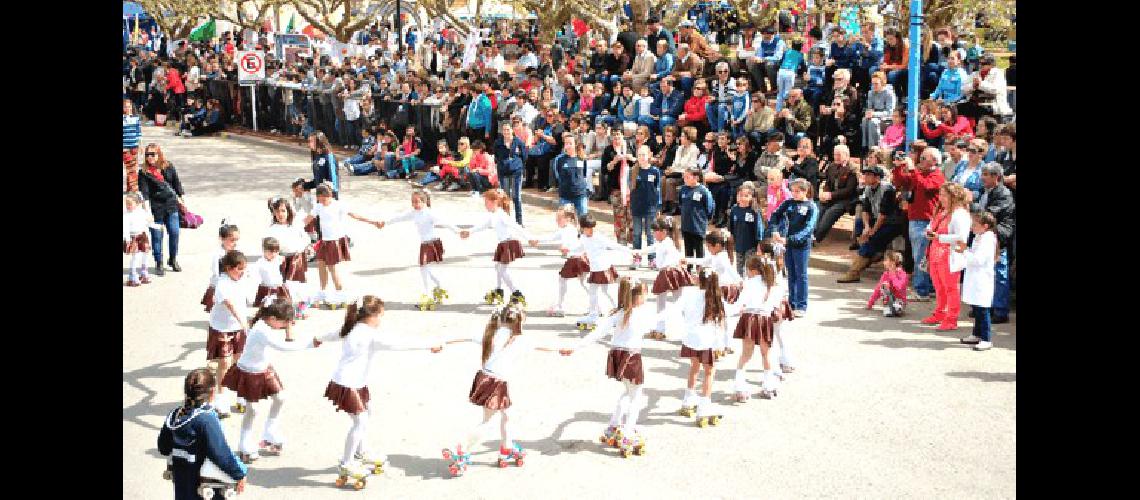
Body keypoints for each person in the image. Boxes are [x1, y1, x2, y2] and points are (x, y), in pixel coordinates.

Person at [316, 296, 443, 482]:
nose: (381, 321)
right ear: (371, 316)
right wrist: (429, 345)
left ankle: (361, 451)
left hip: (351, 382)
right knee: (359, 421)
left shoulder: (352, 327)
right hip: (348, 384)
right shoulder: (369, 335)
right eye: (380, 316)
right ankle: (347, 462)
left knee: (367, 413)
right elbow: (400, 344)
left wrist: (317, 338)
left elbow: (332, 334)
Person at [441, 304, 568, 476]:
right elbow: (542, 345)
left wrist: (442, 342)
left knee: (507, 415)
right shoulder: (521, 339)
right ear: (521, 321)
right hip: (496, 383)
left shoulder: (491, 333)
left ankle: (507, 447)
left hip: (484, 377)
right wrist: (561, 350)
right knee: (488, 421)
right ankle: (461, 449)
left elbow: (465, 337)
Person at [564, 277, 662, 454]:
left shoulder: (616, 314)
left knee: (628, 391)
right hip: (631, 357)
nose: (646, 297)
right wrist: (677, 308)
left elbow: (596, 334)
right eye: (645, 293)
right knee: (636, 396)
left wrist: (575, 347)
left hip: (617, 355)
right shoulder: (640, 314)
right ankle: (628, 432)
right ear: (638, 296)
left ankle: (613, 425)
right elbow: (657, 321)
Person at [222, 297, 318, 463]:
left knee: (280, 397)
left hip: (264, 368)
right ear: (273, 319)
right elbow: (285, 347)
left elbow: (288, 338)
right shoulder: (261, 330)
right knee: (252, 409)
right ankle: (245, 441)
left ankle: (270, 430)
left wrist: (288, 326)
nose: (285, 326)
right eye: (284, 323)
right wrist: (311, 343)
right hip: (250, 371)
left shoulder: (266, 323)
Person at [158, 368, 248, 500]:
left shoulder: (175, 416)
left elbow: (164, 448)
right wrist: (240, 474)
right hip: (205, 486)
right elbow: (221, 454)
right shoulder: (206, 419)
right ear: (212, 392)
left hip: (182, 485)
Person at [375, 190, 462, 308]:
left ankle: (427, 295)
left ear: (424, 202)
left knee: (424, 269)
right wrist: (385, 222)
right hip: (424, 244)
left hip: (432, 243)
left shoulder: (430, 213)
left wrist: (458, 231)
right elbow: (399, 217)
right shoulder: (414, 213)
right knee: (427, 269)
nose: (415, 204)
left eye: (417, 202)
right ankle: (439, 286)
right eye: (413, 202)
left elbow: (446, 222)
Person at [302, 184, 383, 306]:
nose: (322, 202)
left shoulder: (338, 205)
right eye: (320, 199)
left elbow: (355, 215)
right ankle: (323, 291)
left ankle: (341, 293)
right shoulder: (318, 206)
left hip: (334, 241)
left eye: (324, 199)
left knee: (332, 267)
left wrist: (373, 222)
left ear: (329, 196)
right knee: (320, 263)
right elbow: (307, 219)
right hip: (324, 240)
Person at [460, 189, 540, 307]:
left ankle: (516, 293)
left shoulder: (501, 215)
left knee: (502, 270)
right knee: (498, 267)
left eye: (486, 202)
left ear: (495, 202)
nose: (485, 205)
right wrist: (469, 231)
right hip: (503, 244)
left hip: (509, 243)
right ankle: (498, 290)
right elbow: (483, 225)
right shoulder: (493, 215)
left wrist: (529, 238)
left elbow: (516, 226)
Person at [725, 254, 784, 401]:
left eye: (748, 270)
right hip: (765, 319)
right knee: (766, 354)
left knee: (746, 354)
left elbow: (740, 305)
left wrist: (726, 311)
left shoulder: (749, 283)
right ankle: (769, 385)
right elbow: (776, 306)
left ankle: (739, 384)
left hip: (750, 319)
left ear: (754, 271)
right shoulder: (772, 285)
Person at [891, 148, 946, 301]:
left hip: (926, 221)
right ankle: (927, 287)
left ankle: (922, 290)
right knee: (921, 256)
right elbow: (900, 181)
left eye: (924, 158)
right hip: (915, 219)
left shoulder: (938, 176)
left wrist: (913, 169)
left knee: (921, 257)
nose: (920, 160)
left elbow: (925, 186)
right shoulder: (919, 174)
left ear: (934, 161)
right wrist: (898, 166)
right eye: (920, 158)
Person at [676, 268, 729, 426]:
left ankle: (688, 399)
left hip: (691, 338)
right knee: (709, 372)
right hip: (707, 340)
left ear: (698, 280)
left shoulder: (689, 294)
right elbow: (722, 321)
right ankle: (704, 406)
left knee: (694, 367)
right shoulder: (716, 298)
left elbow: (681, 311)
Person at [838, 164, 906, 283]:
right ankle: (875, 253)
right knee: (860, 224)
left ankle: (854, 272)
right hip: (877, 220)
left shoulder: (887, 189)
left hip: (892, 222)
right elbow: (865, 209)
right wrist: (867, 227)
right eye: (866, 174)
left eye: (869, 175)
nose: (866, 177)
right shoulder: (868, 188)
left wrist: (872, 231)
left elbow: (883, 214)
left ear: (878, 177)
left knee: (871, 241)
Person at [922, 183, 973, 330]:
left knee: (951, 288)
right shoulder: (944, 212)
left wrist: (939, 237)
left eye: (944, 195)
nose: (941, 198)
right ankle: (940, 313)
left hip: (949, 256)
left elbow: (962, 238)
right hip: (936, 254)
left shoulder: (960, 214)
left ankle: (951, 319)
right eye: (941, 194)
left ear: (954, 196)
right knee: (939, 287)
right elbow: (932, 224)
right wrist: (929, 231)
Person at [766, 179, 818, 316]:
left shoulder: (811, 206)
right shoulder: (788, 203)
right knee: (791, 273)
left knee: (801, 274)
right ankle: (791, 303)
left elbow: (809, 228)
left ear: (805, 191)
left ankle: (801, 305)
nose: (794, 194)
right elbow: (775, 216)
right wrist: (775, 230)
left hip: (801, 245)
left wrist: (791, 240)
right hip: (787, 243)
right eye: (792, 191)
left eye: (797, 191)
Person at [972, 163, 1015, 324]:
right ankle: (985, 307)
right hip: (985, 235)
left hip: (999, 238)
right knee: (985, 274)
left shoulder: (1004, 194)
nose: (982, 177)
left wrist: (971, 204)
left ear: (996, 177)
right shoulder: (986, 191)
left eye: (986, 174)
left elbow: (988, 215)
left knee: (999, 275)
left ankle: (1000, 310)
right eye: (982, 173)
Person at [137, 143, 185, 275]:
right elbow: (144, 193)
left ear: (159, 154)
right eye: (147, 154)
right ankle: (159, 262)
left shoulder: (168, 166)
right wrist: (147, 212)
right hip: (155, 207)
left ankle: (173, 259)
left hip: (171, 205)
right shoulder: (144, 172)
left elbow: (177, 185)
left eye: (153, 154)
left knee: (174, 232)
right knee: (157, 237)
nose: (150, 157)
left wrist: (182, 201)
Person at [955, 211, 998, 351]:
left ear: (985, 226)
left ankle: (986, 339)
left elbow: (978, 259)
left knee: (983, 310)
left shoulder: (987, 239)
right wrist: (966, 250)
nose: (972, 227)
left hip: (982, 280)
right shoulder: (979, 237)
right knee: (977, 308)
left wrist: (964, 251)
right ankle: (976, 334)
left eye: (975, 224)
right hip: (975, 278)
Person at [539, 206, 588, 317]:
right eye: (557, 218)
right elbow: (552, 237)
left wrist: (566, 248)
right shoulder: (567, 228)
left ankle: (561, 306)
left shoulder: (569, 230)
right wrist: (537, 240)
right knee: (581, 282)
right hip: (577, 258)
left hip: (576, 258)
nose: (557, 221)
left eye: (559, 218)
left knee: (564, 280)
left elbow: (569, 244)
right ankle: (595, 306)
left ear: (568, 219)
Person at [266, 197, 312, 319]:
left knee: (299, 285)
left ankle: (301, 308)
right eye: (277, 211)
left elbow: (305, 238)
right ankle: (286, 310)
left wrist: (303, 248)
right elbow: (268, 245)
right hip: (281, 260)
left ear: (288, 211)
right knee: (284, 286)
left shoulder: (295, 226)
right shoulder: (272, 229)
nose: (280, 214)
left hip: (296, 259)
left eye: (283, 211)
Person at [812, 145, 858, 243]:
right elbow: (828, 183)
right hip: (831, 197)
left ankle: (816, 238)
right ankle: (810, 234)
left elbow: (849, 190)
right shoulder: (832, 166)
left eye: (839, 155)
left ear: (846, 155)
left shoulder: (852, 169)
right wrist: (825, 193)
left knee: (830, 213)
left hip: (845, 200)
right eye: (835, 154)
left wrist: (831, 195)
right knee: (818, 209)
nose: (836, 157)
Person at [629, 145, 662, 270]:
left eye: (644, 154)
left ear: (649, 155)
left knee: (650, 234)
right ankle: (637, 258)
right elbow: (630, 189)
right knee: (637, 234)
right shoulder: (633, 171)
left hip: (650, 208)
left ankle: (652, 259)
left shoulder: (654, 171)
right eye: (639, 155)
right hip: (637, 207)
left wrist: (658, 206)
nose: (642, 157)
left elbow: (657, 189)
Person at [679, 166, 716, 264]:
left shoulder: (703, 191)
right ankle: (689, 271)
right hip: (686, 226)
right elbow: (681, 204)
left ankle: (700, 271)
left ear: (696, 178)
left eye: (687, 177)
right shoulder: (683, 189)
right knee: (688, 251)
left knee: (699, 251)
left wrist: (704, 220)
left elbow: (710, 208)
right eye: (684, 177)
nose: (685, 179)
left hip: (698, 227)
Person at [201, 223, 239, 313]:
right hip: (220, 285)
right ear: (222, 239)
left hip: (232, 284)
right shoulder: (218, 255)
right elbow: (216, 272)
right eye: (232, 240)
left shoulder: (236, 252)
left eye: (236, 240)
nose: (235, 243)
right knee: (218, 307)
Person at [728, 181, 764, 275]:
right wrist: (731, 238)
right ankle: (740, 285)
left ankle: (750, 283)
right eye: (740, 195)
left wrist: (759, 244)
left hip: (751, 245)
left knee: (750, 267)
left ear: (751, 197)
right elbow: (731, 226)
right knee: (739, 267)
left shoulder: (754, 211)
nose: (742, 198)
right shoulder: (734, 209)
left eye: (746, 196)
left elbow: (759, 228)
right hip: (739, 244)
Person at [494, 123, 527, 225]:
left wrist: (517, 164)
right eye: (504, 130)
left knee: (516, 196)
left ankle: (519, 221)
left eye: (508, 129)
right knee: (505, 196)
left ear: (511, 130)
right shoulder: (498, 143)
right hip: (503, 171)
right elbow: (496, 156)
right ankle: (506, 220)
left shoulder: (518, 142)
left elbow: (524, 156)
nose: (506, 132)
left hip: (516, 171)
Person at [553, 134, 591, 216]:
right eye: (566, 143)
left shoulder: (581, 158)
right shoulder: (559, 159)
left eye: (570, 143)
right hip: (565, 196)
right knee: (567, 222)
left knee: (583, 220)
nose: (568, 145)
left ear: (575, 144)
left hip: (580, 195)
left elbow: (584, 174)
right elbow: (557, 175)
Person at [123, 193, 154, 287]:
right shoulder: (126, 215)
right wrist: (127, 238)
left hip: (143, 236)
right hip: (133, 237)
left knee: (145, 254)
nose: (128, 206)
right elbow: (125, 228)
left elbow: (147, 223)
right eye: (126, 204)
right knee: (135, 256)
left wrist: (156, 226)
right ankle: (133, 275)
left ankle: (144, 272)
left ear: (137, 204)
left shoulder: (141, 212)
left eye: (130, 204)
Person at [865, 250, 908, 316]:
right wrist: (870, 303)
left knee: (895, 308)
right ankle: (889, 307)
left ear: (893, 262)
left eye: (886, 260)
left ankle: (896, 309)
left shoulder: (902, 274)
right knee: (884, 285)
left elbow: (899, 287)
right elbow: (878, 289)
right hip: (888, 301)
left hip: (899, 301)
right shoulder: (885, 274)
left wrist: (893, 274)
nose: (883, 262)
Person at [861, 71, 896, 151]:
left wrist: (874, 114)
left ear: (882, 83)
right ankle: (864, 147)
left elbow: (890, 112)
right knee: (864, 120)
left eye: (876, 84)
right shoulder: (871, 93)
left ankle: (873, 148)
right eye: (873, 84)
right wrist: (869, 113)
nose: (874, 86)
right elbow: (870, 108)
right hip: (874, 115)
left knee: (873, 122)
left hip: (887, 118)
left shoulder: (889, 93)